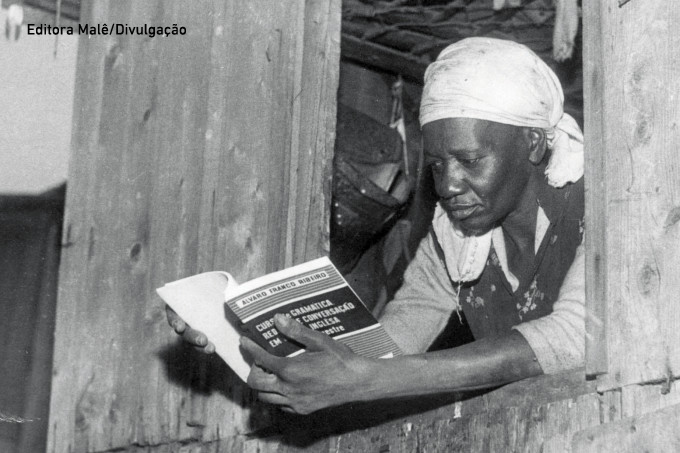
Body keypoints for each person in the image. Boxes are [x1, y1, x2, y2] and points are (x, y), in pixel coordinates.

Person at [167, 37, 586, 415]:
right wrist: (239, 336)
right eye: (437, 166)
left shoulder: (602, 203)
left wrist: (368, 381)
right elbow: (383, 355)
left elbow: (574, 337)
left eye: (471, 161)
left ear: (532, 142)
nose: (449, 185)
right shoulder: (455, 240)